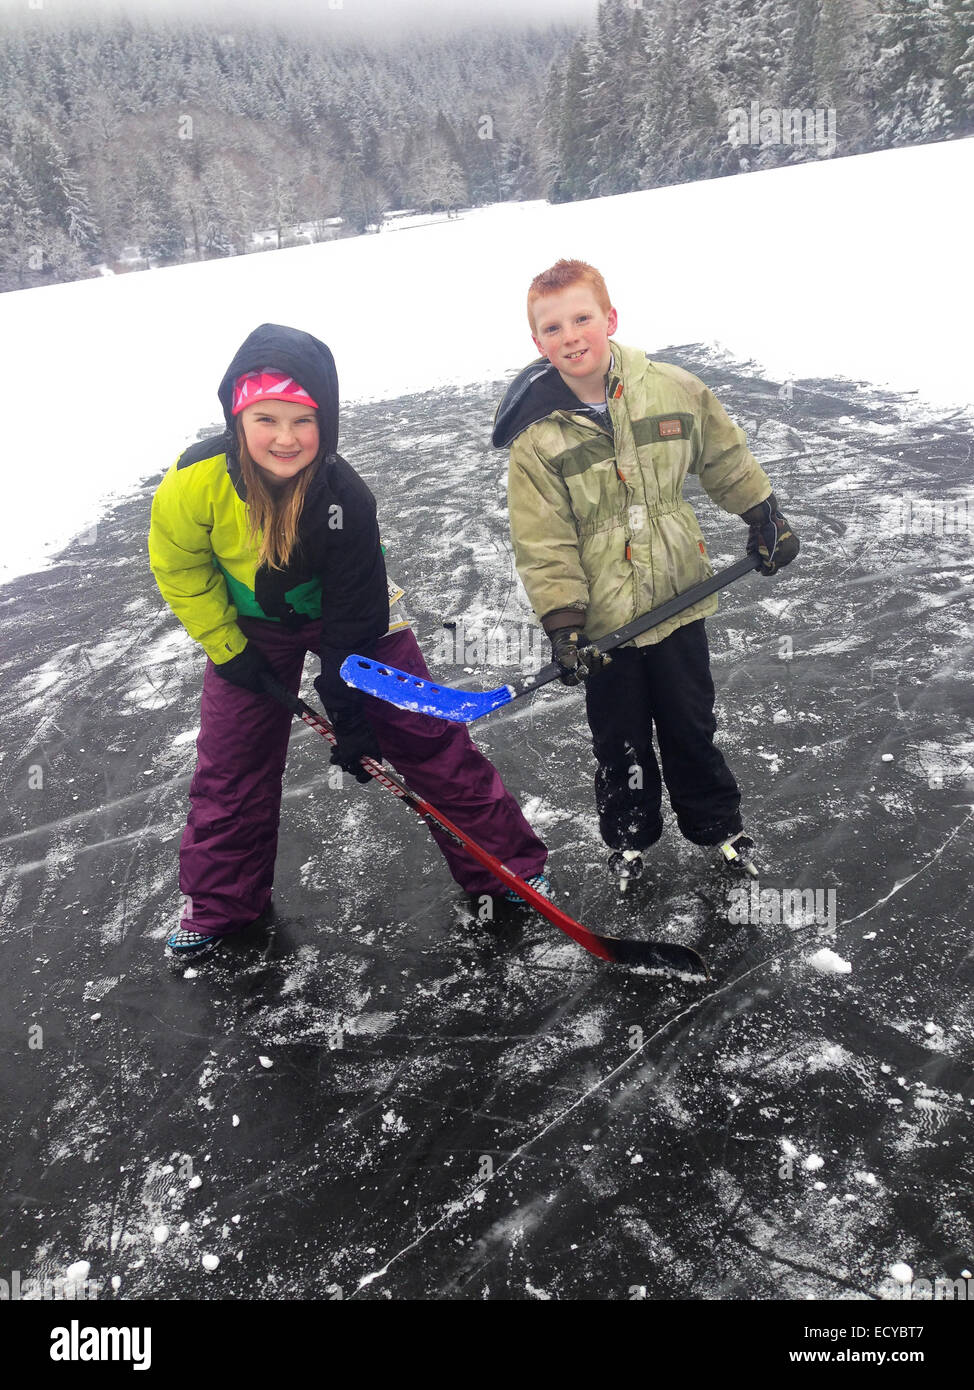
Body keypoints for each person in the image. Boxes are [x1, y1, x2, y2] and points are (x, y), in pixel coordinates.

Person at [149, 322, 548, 961]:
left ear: (325, 422)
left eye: (302, 420)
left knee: (426, 736)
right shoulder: (193, 481)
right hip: (249, 623)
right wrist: (230, 650)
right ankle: (221, 906)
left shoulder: (344, 498)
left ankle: (508, 868)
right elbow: (181, 569)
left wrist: (352, 712)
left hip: (350, 616)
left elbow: (353, 627)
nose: (285, 437)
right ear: (236, 417)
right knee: (232, 765)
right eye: (266, 419)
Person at [493, 260, 799, 880]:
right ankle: (629, 838)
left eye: (582, 318)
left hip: (679, 596)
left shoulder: (672, 389)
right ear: (537, 342)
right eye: (553, 328)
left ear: (610, 318)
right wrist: (565, 625)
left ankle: (719, 829)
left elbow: (722, 456)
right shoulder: (536, 439)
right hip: (605, 625)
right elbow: (544, 539)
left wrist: (764, 515)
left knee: (691, 724)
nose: (571, 336)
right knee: (621, 739)